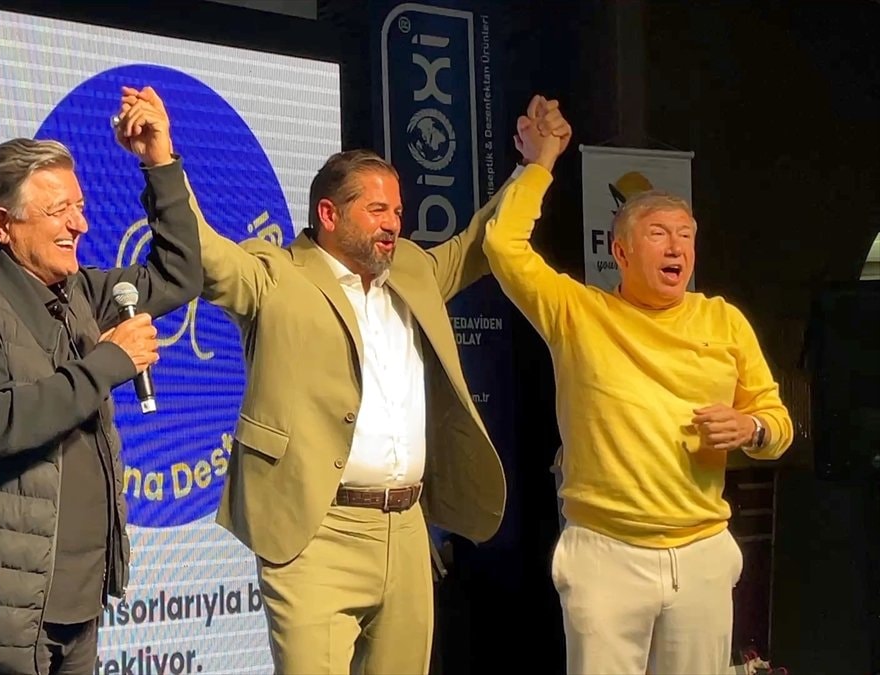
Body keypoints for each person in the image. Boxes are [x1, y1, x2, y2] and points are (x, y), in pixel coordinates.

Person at [191, 99, 547, 673]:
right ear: (328, 215)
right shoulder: (277, 274)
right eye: (377, 209)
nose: (393, 223)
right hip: (317, 533)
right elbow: (207, 256)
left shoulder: (411, 270)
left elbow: (478, 243)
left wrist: (534, 166)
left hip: (405, 529)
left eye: (397, 211)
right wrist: (162, 163)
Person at [482, 96, 794, 674]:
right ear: (620, 251)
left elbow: (778, 426)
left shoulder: (724, 320)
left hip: (700, 554)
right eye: (658, 234)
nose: (677, 247)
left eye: (686, 235)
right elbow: (504, 247)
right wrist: (542, 163)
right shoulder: (578, 313)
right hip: (606, 553)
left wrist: (750, 427)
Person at [0, 87, 201, 675]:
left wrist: (159, 162)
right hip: (0, 614)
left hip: (74, 605)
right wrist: (110, 362)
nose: (80, 224)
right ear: (2, 225)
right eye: (60, 211)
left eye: (79, 208)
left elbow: (179, 274)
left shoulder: (78, 292)